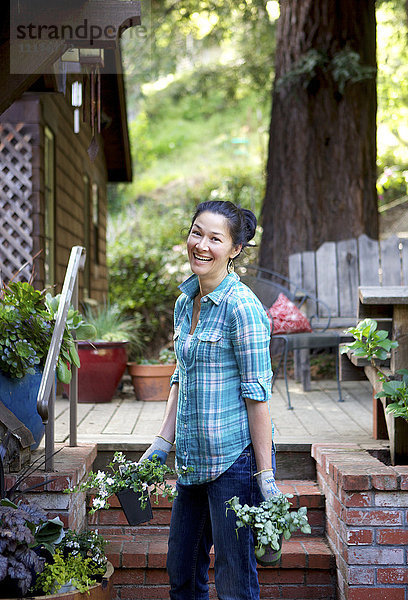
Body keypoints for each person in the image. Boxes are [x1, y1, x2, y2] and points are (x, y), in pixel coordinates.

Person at [139, 200, 280, 600]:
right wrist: (162, 442)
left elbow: (258, 396)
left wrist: (264, 476)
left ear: (234, 249)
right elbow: (181, 374)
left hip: (234, 462)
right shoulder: (186, 303)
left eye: (215, 238)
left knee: (235, 583)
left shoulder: (243, 308)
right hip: (193, 460)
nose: (201, 244)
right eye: (197, 232)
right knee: (182, 574)